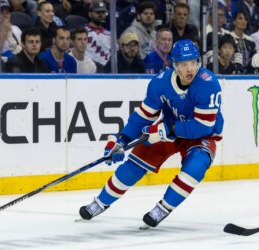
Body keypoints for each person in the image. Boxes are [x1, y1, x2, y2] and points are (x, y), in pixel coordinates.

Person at [79, 39, 224, 228]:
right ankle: (100, 202)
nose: (190, 69)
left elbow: (203, 126)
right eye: (183, 64)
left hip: (201, 134)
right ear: (175, 65)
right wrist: (122, 139)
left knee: (196, 166)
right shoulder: (160, 84)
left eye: (194, 63)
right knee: (136, 162)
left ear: (199, 62)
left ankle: (163, 208)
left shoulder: (208, 84)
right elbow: (143, 116)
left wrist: (169, 130)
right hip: (171, 128)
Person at [85, 0, 111, 73]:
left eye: (103, 12)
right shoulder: (82, 32)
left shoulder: (110, 35)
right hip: (88, 70)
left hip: (107, 72)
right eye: (97, 12)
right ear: (90, 14)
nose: (101, 15)